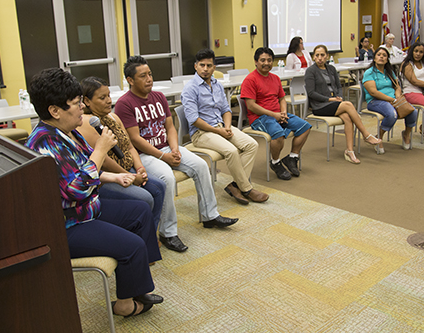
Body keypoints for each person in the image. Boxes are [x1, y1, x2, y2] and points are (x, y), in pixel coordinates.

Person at [26, 68, 163, 318]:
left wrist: (115, 176)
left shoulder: (67, 131)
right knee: (132, 246)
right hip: (69, 224)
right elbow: (76, 189)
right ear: (54, 110)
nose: (82, 109)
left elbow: (79, 173)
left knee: (141, 210)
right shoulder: (45, 143)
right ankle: (124, 304)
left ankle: (138, 284)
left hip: (88, 209)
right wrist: (100, 150)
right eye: (77, 104)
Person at [115, 56, 237, 246]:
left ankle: (209, 215)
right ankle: (167, 232)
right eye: (143, 76)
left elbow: (170, 127)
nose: (149, 79)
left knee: (200, 165)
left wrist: (173, 149)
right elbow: (135, 139)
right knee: (168, 178)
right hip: (144, 155)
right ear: (130, 80)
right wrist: (163, 156)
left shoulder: (159, 97)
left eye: (150, 74)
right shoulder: (125, 104)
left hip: (166, 147)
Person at [181, 48, 269, 205]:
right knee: (232, 151)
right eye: (202, 65)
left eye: (209, 65)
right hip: (201, 133)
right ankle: (246, 189)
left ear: (214, 67)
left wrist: (227, 126)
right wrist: (218, 131)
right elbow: (193, 119)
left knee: (251, 145)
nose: (205, 69)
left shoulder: (217, 85)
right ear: (196, 66)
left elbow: (226, 110)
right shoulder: (190, 88)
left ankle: (235, 185)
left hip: (221, 126)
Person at [78, 76, 166, 231]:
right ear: (87, 101)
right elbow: (103, 160)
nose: (108, 101)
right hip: (109, 176)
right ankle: (138, 234)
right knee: (145, 198)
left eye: (108, 96)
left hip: (128, 169)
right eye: (102, 97)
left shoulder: (112, 117)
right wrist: (130, 177)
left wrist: (139, 168)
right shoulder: (87, 122)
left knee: (159, 187)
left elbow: (129, 146)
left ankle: (150, 232)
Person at [240, 47, 312, 180]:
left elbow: (282, 99)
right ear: (256, 62)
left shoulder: (275, 78)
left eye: (269, 60)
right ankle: (275, 162)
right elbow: (251, 106)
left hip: (277, 114)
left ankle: (292, 157)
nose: (266, 63)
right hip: (260, 118)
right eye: (262, 60)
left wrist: (283, 113)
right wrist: (274, 115)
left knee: (305, 127)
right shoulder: (250, 80)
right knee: (278, 135)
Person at [305, 45, 382, 164]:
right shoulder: (310, 71)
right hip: (320, 105)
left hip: (334, 102)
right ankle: (366, 135)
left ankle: (349, 151)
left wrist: (339, 97)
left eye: (322, 55)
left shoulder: (331, 68)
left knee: (347, 117)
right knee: (348, 105)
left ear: (327, 56)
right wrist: (330, 99)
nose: (320, 58)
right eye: (317, 55)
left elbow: (339, 86)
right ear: (313, 57)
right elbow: (311, 93)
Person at [362, 47, 417, 153]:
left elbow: (397, 87)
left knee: (412, 111)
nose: (381, 57)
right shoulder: (369, 73)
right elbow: (373, 92)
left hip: (393, 100)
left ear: (387, 59)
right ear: (374, 58)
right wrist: (391, 99)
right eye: (379, 55)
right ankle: (379, 137)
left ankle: (406, 134)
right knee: (392, 114)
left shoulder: (389, 72)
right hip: (375, 101)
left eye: (384, 55)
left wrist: (397, 97)